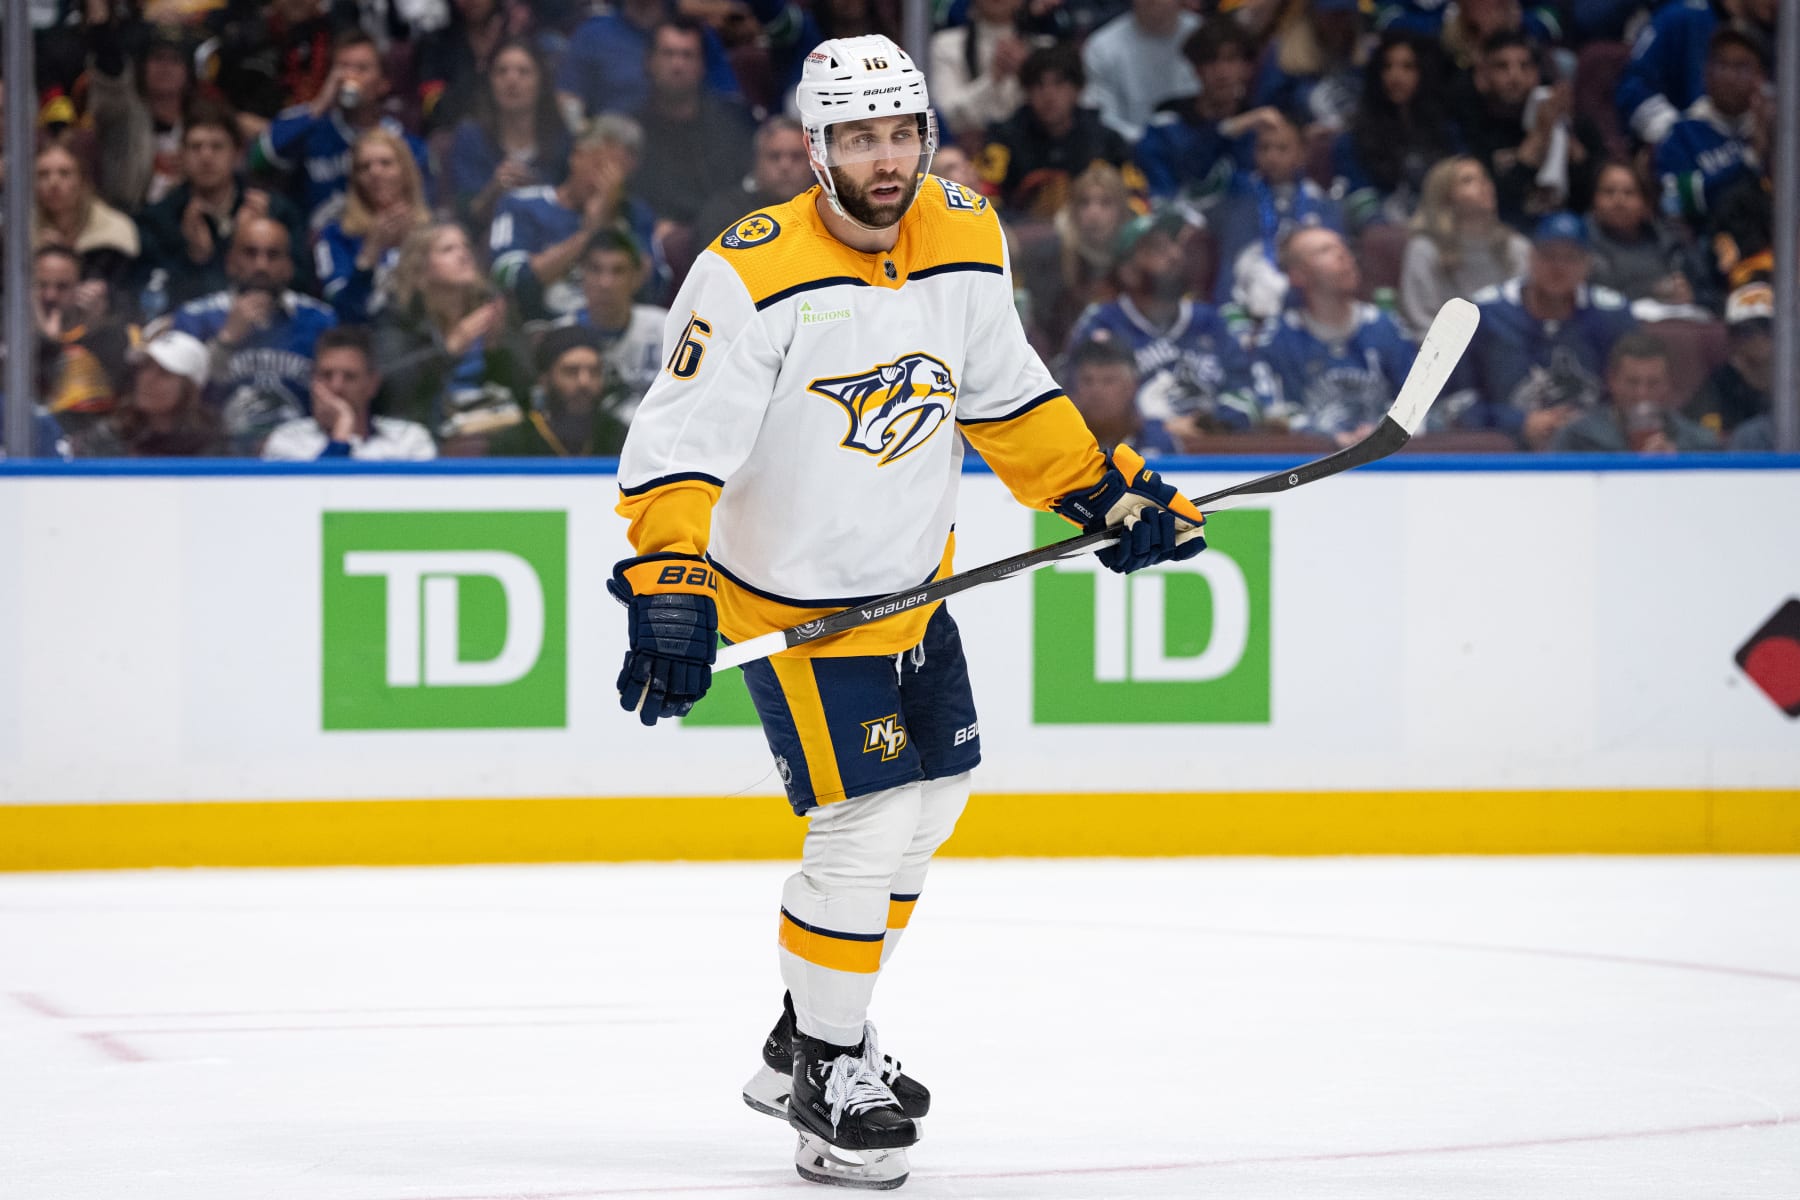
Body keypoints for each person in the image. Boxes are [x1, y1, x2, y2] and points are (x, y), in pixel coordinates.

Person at [611, 34, 1205, 1190]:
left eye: (900, 134)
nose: (884, 160)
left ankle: (802, 1036)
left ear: (926, 135)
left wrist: (1101, 490)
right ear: (814, 149)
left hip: (915, 592)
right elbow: (677, 446)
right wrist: (672, 583)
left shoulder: (966, 229)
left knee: (934, 801)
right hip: (796, 609)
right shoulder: (749, 271)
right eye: (857, 139)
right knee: (866, 823)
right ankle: (830, 1071)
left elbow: (1003, 391)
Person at [1067, 210, 1266, 439]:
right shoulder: (1102, 323)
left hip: (1213, 451)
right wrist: (1158, 429)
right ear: (1128, 272)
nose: (1175, 255)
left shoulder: (1211, 322)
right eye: (1157, 249)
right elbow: (1082, 399)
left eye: (1174, 244)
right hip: (1135, 453)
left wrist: (1210, 425)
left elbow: (1248, 391)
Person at [1452, 211, 1637, 448]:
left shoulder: (1613, 315)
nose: (1558, 267)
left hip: (1593, 452)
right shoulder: (1485, 314)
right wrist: (1517, 423)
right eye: (1548, 255)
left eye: (1571, 258)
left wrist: (1587, 426)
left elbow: (1638, 395)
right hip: (1505, 457)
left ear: (1588, 263)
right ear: (1530, 256)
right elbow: (1456, 403)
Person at [165, 217, 339, 454]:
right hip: (213, 455)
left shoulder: (321, 321)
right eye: (250, 253)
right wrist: (227, 338)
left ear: (288, 266)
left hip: (300, 457)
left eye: (273, 255)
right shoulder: (194, 318)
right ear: (230, 262)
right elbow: (173, 401)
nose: (261, 266)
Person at [136, 100, 312, 312]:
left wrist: (258, 240)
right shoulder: (158, 219)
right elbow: (151, 302)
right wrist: (193, 259)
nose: (206, 157)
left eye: (217, 146)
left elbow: (302, 287)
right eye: (195, 147)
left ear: (237, 154)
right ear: (181, 155)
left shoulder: (276, 212)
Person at [252, 30, 431, 232]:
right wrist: (320, 104)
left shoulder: (400, 142)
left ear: (383, 83)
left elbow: (423, 203)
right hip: (317, 241)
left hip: (383, 240)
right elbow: (260, 159)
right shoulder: (310, 126)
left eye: (362, 68)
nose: (350, 76)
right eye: (342, 67)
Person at [373, 223, 534, 444]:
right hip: (422, 435)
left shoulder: (491, 308)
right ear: (420, 270)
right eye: (448, 249)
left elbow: (525, 387)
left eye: (466, 246)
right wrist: (448, 350)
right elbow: (390, 387)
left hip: (491, 432)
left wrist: (497, 349)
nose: (463, 254)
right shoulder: (401, 317)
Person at [1257, 227, 1419, 443]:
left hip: (1386, 457)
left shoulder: (1387, 327)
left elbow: (1418, 402)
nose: (1343, 255)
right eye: (1324, 251)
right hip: (1313, 459)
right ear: (1297, 275)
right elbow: (1273, 412)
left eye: (1343, 247)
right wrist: (1325, 438)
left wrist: (1381, 431)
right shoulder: (1277, 338)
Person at [490, 115, 661, 321]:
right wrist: (589, 233)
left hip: (615, 327)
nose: (606, 183)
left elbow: (653, 286)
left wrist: (612, 224)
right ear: (577, 156)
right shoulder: (521, 204)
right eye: (601, 167)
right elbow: (509, 279)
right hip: (542, 327)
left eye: (619, 174)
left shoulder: (634, 214)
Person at [1457, 31, 1605, 231]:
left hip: (1574, 234)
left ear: (1537, 73)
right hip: (1503, 232)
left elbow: (1599, 194)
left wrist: (1565, 137)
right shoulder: (1472, 126)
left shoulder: (1574, 122)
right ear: (1483, 75)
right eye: (1502, 66)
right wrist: (1535, 144)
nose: (1515, 76)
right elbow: (1489, 202)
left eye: (1525, 66)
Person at [977, 44, 1138, 218]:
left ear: (1078, 89)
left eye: (1059, 83)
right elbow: (984, 198)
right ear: (1027, 92)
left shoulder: (1106, 141)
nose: (1049, 95)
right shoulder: (1004, 139)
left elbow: (1137, 200)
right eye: (1039, 85)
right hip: (1018, 230)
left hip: (1094, 230)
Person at [1208, 111, 1344, 312]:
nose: (1272, 157)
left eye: (1282, 148)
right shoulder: (1237, 192)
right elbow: (1203, 164)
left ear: (1302, 154)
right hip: (1236, 303)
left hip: (1302, 308)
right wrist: (1239, 124)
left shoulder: (1322, 204)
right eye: (1264, 148)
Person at [630, 18, 757, 231]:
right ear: (649, 61)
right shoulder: (632, 130)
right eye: (668, 54)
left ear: (702, 65)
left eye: (687, 55)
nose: (677, 65)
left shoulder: (735, 124)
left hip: (724, 232)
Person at [444, 37, 572, 233]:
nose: (512, 80)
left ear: (541, 82)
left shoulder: (562, 140)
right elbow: (465, 214)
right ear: (490, 82)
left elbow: (571, 208)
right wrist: (494, 191)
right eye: (501, 71)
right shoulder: (471, 138)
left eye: (524, 72)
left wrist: (536, 189)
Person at [1333, 31, 1459, 229]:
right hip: (1385, 232)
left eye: (1408, 67)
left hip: (1442, 227)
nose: (1396, 76)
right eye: (1387, 67)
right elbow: (1359, 197)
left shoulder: (1447, 131)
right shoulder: (1353, 138)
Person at [1654, 25, 1772, 235]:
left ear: (1760, 77)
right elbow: (1680, 203)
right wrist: (1749, 160)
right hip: (1707, 242)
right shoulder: (1682, 135)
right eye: (1721, 65)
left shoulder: (1778, 131)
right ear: (1706, 72)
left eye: (1741, 67)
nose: (1729, 76)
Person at [1398, 156, 1529, 338]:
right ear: (1444, 196)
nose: (1484, 185)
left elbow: (1527, 313)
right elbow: (1420, 320)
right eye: (1468, 180)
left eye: (1485, 178)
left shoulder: (1515, 246)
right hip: (1445, 350)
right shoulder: (1424, 250)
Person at [1134, 21, 1262, 206]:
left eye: (1231, 60)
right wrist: (1225, 130)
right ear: (1196, 69)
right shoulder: (1164, 126)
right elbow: (1162, 196)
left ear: (1247, 68)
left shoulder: (1260, 125)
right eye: (1211, 61)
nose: (1221, 72)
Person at [263, 326, 436, 460]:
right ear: (314, 381)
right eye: (326, 375)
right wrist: (341, 434)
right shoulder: (288, 439)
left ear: (372, 384)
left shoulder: (409, 440)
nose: (336, 386)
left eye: (349, 377)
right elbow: (315, 493)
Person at [314, 129, 435, 321]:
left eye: (385, 163)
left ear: (406, 171)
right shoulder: (336, 235)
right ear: (355, 178)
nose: (375, 172)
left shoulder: (435, 229)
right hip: (368, 333)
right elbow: (342, 309)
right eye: (364, 167)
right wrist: (371, 251)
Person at [1551, 331, 1720, 453]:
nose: (1642, 394)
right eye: (1632, 382)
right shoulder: (1578, 439)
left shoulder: (1700, 444)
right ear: (1612, 381)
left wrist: (1677, 468)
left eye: (1653, 383)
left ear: (1667, 385)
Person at [68, 329, 226, 458]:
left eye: (164, 373)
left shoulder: (214, 446)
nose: (147, 379)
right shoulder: (108, 438)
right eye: (145, 367)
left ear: (189, 389)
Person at [486, 324, 627, 455]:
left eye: (594, 371)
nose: (584, 382)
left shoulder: (621, 438)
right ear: (544, 380)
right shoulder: (514, 443)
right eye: (571, 371)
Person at [566, 229, 668, 411]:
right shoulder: (561, 338)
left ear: (636, 277)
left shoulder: (666, 329)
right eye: (595, 270)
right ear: (581, 274)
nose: (605, 283)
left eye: (618, 271)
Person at [31, 142, 141, 301]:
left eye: (64, 173)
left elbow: (127, 298)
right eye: (43, 174)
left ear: (82, 180)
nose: (53, 183)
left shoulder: (115, 232)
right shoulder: (18, 235)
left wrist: (68, 257)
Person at [1079, 0, 1200, 143]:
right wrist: (1150, 142)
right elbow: (1103, 118)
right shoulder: (1101, 48)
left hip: (1203, 144)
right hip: (1128, 148)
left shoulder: (1202, 35)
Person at [1583, 161, 1695, 306]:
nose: (1619, 201)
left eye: (1629, 193)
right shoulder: (1580, 242)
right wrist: (1651, 291)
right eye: (1609, 192)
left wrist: (1688, 292)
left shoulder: (1666, 240)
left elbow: (1704, 290)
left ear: (1646, 203)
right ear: (1594, 199)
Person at [693, 117, 816, 245]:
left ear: (813, 162)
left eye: (797, 156)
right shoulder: (723, 213)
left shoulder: (825, 212)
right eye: (774, 156)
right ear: (757, 161)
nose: (785, 166)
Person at [928, 0, 1036, 141]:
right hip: (964, 149)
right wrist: (993, 78)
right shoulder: (944, 45)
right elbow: (945, 117)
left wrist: (1029, 72)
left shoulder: (1042, 48)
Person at [1685, 281, 1772, 440]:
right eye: (1747, 330)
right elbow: (1700, 436)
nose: (1758, 337)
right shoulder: (1719, 384)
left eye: (1767, 327)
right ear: (1732, 337)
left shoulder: (1793, 381)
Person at [1065, 335, 1175, 453]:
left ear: (1132, 386)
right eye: (1087, 381)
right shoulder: (1061, 440)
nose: (1096, 390)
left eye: (1108, 381)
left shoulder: (1160, 441)